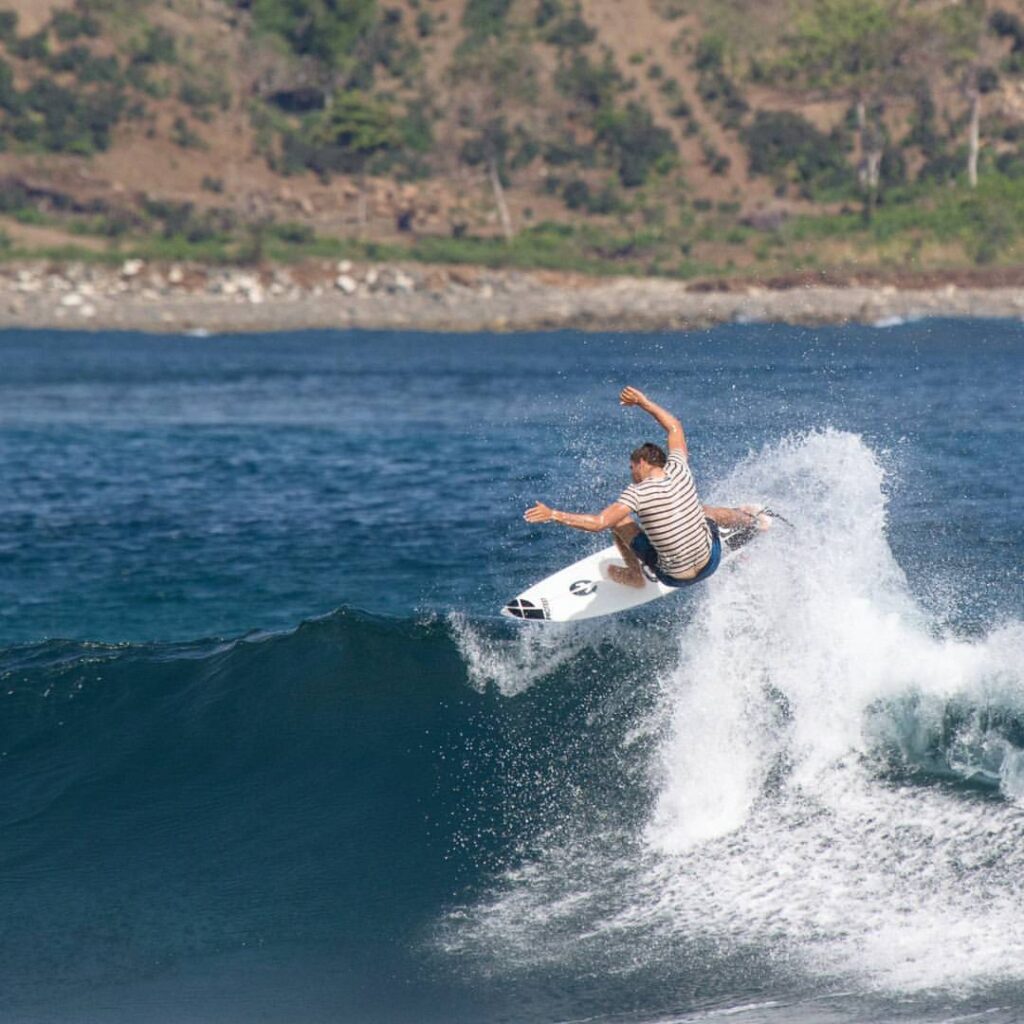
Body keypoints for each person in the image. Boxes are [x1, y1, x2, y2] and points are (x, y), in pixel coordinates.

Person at [523, 386, 768, 588]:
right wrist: (644, 403)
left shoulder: (637, 493)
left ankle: (634, 575)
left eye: (632, 468)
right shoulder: (680, 467)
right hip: (711, 561)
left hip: (673, 577)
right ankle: (752, 521)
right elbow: (674, 427)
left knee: (618, 521)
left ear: (642, 463)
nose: (631, 475)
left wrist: (552, 514)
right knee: (705, 511)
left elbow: (599, 523)